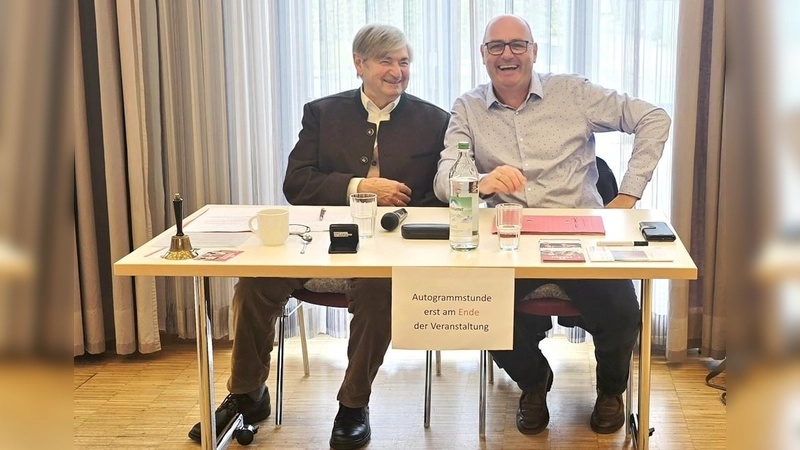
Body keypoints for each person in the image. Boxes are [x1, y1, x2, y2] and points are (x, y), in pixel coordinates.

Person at [188, 24, 449, 449]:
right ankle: (247, 394)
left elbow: (441, 199)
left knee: (377, 290)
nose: (397, 71)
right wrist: (360, 187)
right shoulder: (323, 113)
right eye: (386, 61)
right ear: (359, 63)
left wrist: (400, 214)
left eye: (404, 62)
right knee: (255, 283)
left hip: (392, 247)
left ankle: (353, 405)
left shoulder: (434, 119)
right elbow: (297, 183)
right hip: (319, 240)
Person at [433, 15, 671, 435]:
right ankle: (533, 381)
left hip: (581, 237)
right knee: (474, 308)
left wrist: (629, 195)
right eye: (496, 46)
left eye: (517, 44)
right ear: (483, 55)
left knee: (622, 312)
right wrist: (479, 182)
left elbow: (653, 117)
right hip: (509, 240)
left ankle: (611, 392)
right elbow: (443, 179)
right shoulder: (468, 107)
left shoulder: (573, 93)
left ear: (534, 51)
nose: (507, 54)